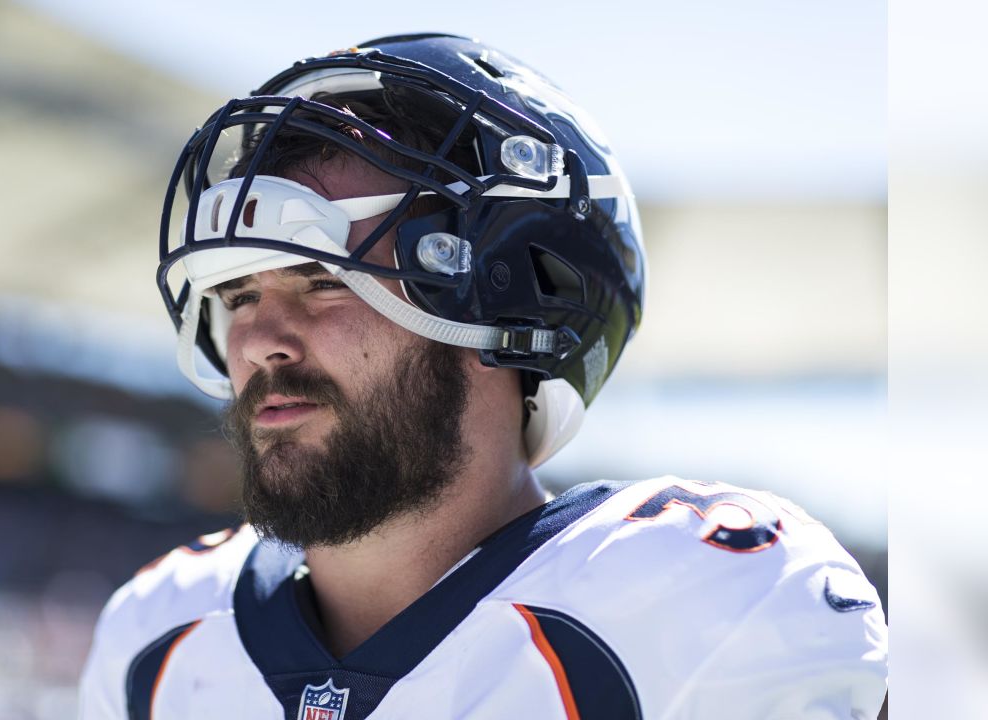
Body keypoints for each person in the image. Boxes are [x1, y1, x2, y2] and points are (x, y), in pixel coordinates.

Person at [79, 34, 888, 719]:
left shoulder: (702, 609)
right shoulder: (159, 635)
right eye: (238, 293)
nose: (258, 340)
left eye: (327, 280)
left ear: (513, 302)